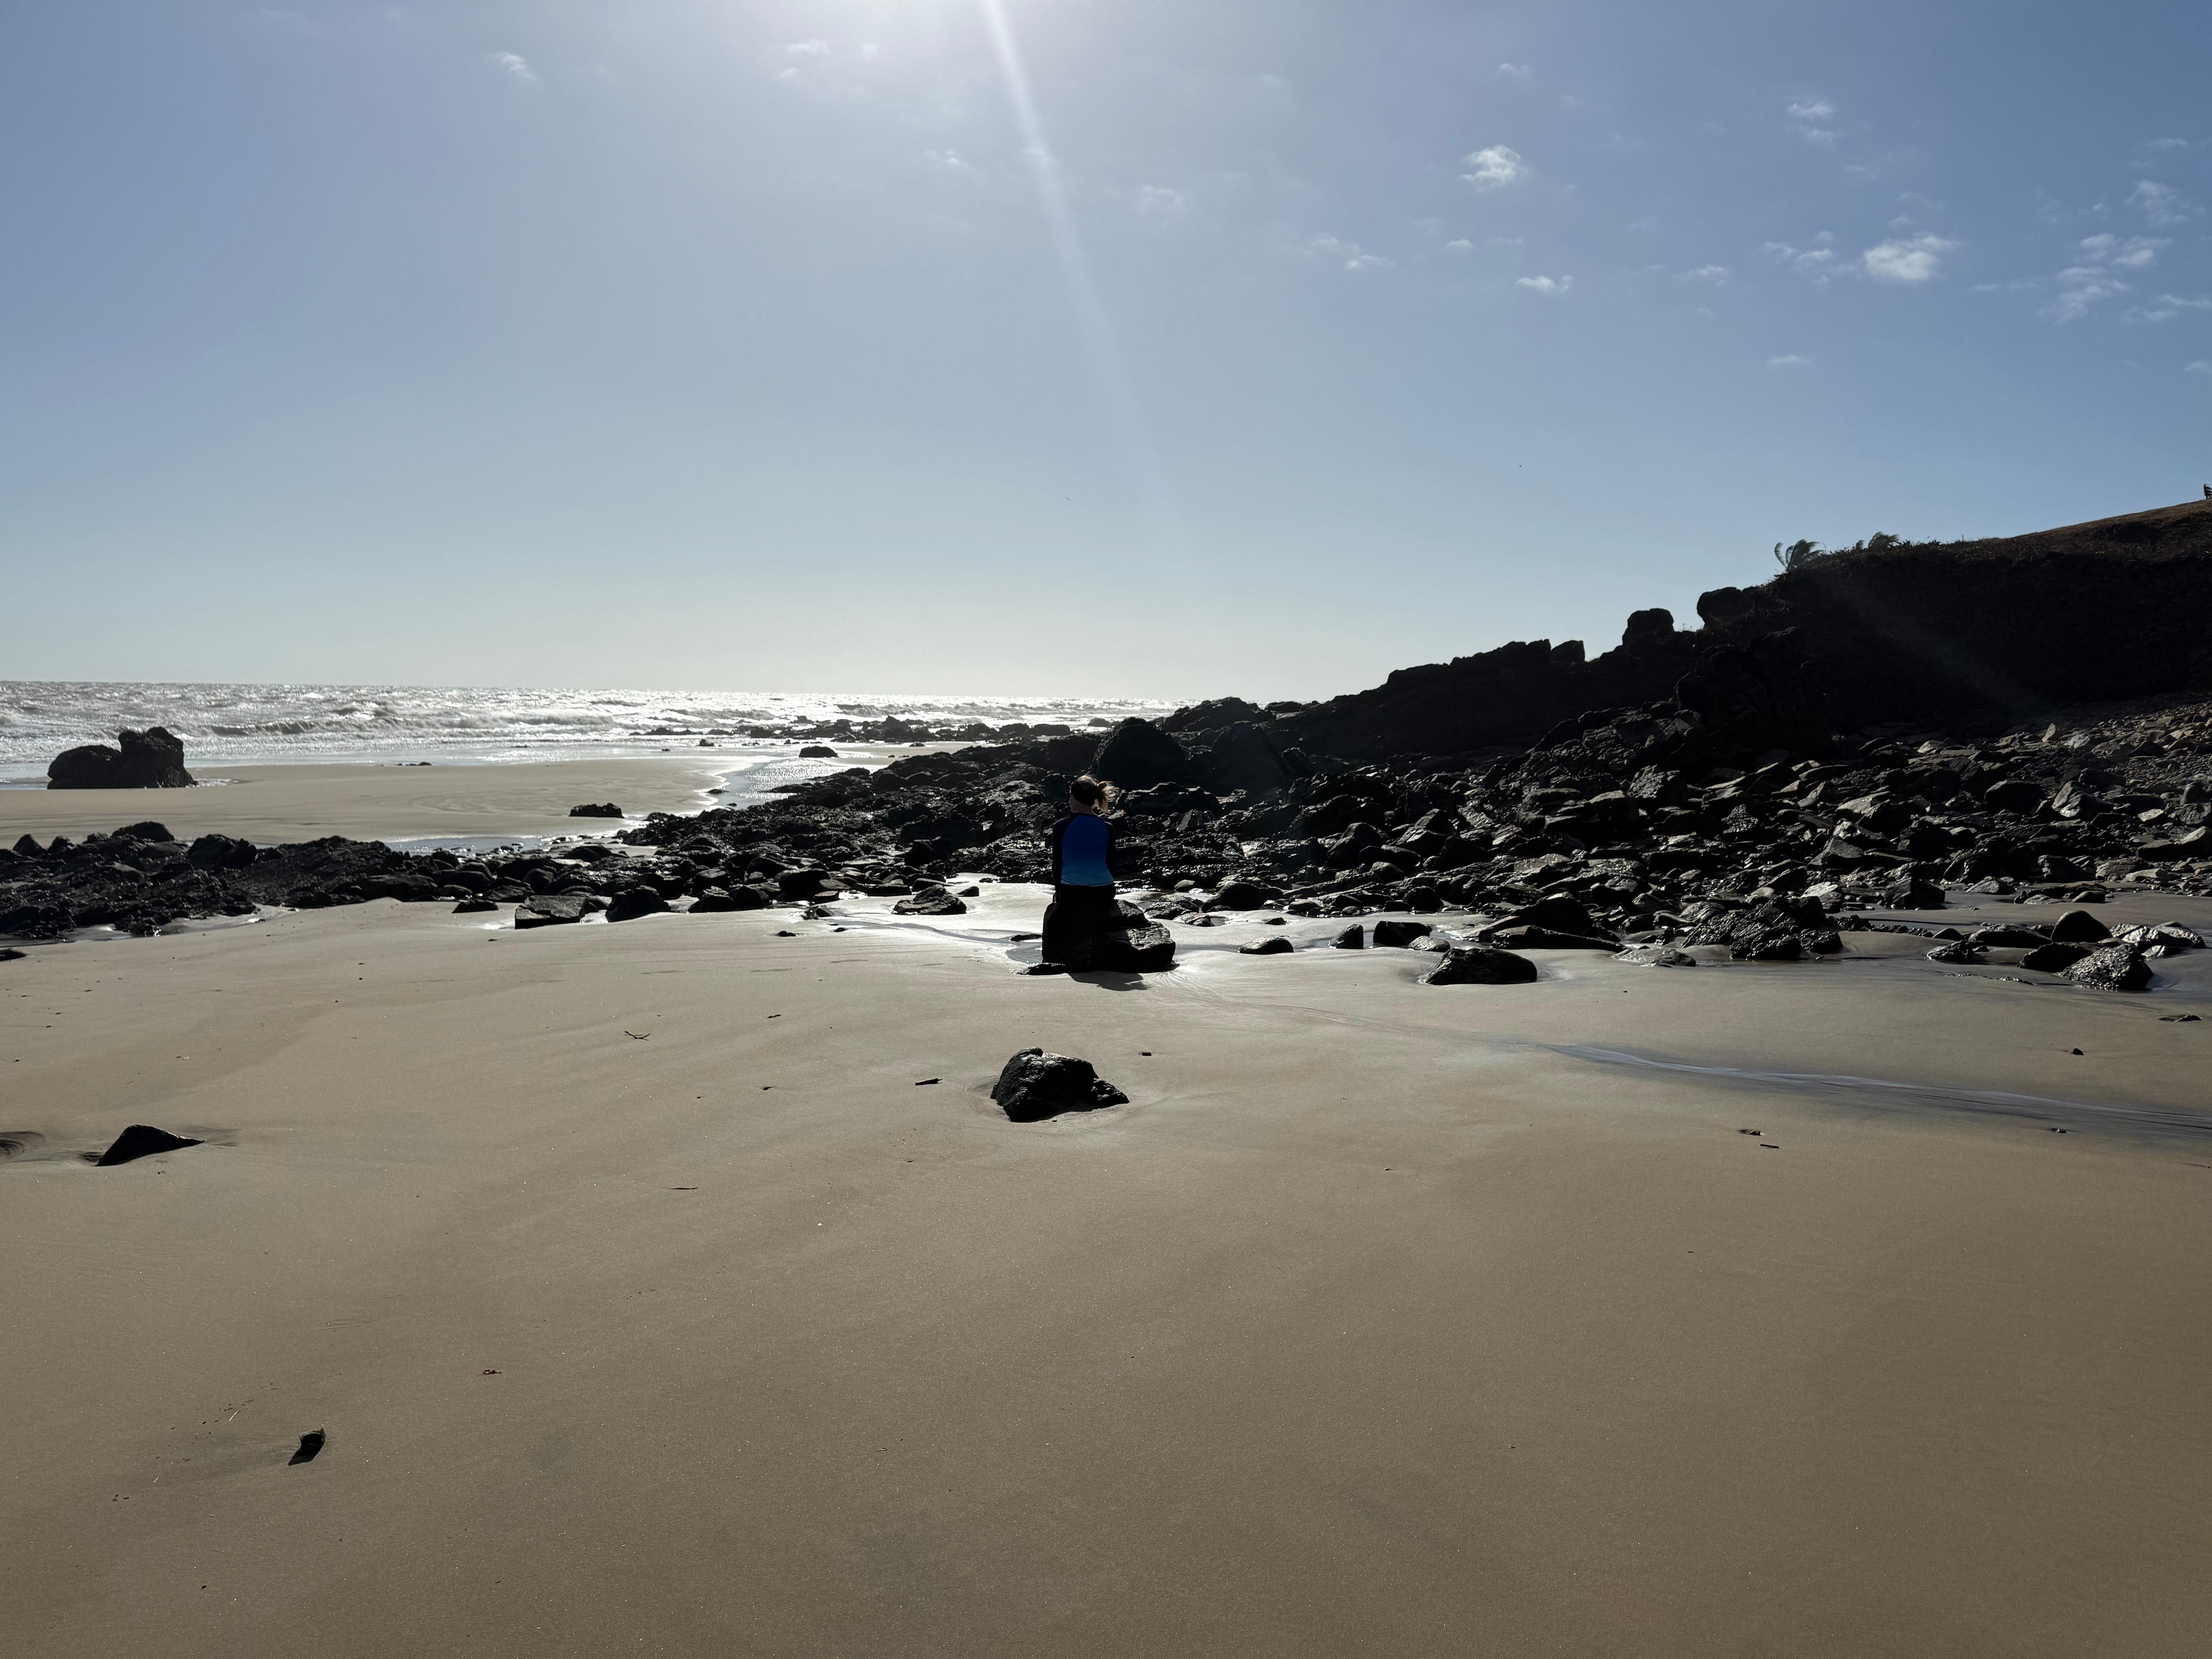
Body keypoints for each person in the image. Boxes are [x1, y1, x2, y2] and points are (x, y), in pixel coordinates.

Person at [1037, 775, 1120, 972]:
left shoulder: (1061, 826)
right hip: (1104, 892)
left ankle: (1053, 955)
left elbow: (1057, 864)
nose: (1068, 800)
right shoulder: (1107, 827)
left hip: (1073, 892)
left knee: (1056, 917)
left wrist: (1058, 892)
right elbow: (1111, 864)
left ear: (1075, 798)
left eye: (1070, 796)